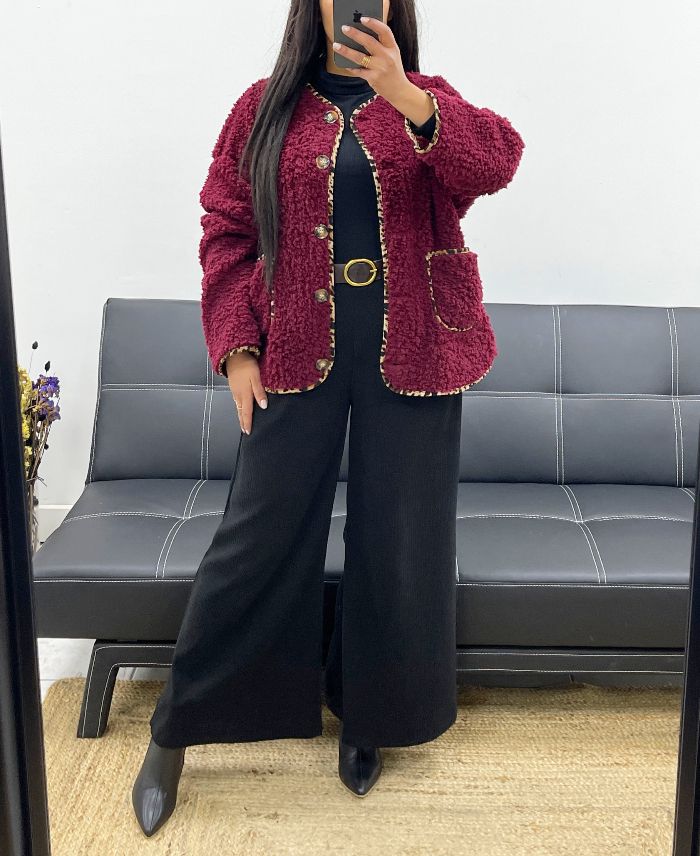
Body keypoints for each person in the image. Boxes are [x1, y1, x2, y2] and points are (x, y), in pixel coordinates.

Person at [132, 0, 524, 837]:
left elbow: (496, 161)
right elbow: (226, 229)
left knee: (398, 542)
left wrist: (408, 97)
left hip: (416, 348)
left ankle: (368, 720)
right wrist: (236, 348)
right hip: (294, 351)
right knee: (256, 537)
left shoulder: (427, 96)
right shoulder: (263, 108)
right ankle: (174, 730)